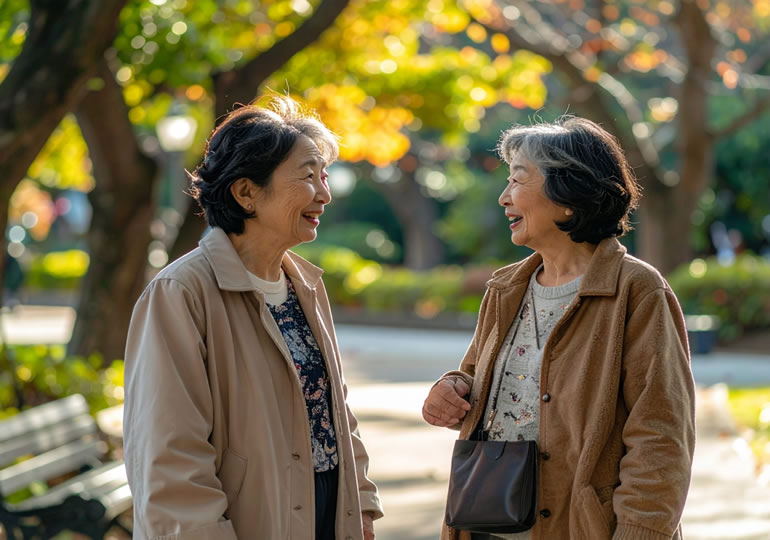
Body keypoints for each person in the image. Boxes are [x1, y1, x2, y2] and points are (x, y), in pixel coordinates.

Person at [423, 116, 695, 540]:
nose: (504, 197)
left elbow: (660, 435)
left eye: (517, 180)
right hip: (487, 520)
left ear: (569, 194)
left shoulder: (636, 290)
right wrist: (453, 388)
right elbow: (479, 380)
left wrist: (640, 531)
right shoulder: (505, 288)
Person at [123, 95, 383, 540]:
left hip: (325, 514)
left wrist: (361, 506)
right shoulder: (181, 293)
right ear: (246, 193)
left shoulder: (304, 284)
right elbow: (170, 457)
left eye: (323, 176)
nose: (324, 193)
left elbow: (335, 411)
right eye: (308, 176)